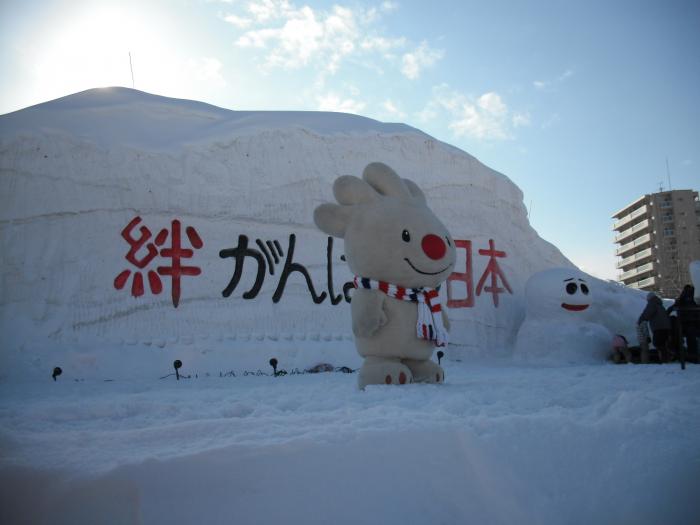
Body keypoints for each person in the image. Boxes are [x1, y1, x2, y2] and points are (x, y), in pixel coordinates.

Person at [667, 285, 700, 361]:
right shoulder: (693, 300)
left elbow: (670, 309)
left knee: (689, 335)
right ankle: (692, 355)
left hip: (686, 325)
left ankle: (688, 354)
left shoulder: (682, 300)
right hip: (691, 325)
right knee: (691, 335)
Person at [637, 292, 671, 362]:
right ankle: (667, 358)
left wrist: (641, 319)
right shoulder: (660, 305)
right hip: (666, 327)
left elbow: (647, 313)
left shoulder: (652, 303)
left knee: (657, 343)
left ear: (649, 298)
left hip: (658, 327)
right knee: (663, 343)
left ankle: (664, 359)